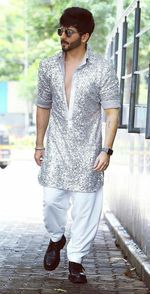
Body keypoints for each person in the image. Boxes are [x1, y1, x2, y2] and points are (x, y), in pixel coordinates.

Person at [34, 7, 120, 284]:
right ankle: (56, 238)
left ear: (84, 36)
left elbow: (111, 112)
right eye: (60, 30)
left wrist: (106, 149)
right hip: (57, 146)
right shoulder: (47, 66)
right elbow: (43, 106)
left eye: (68, 31)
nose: (62, 35)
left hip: (89, 149)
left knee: (86, 208)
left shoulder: (102, 68)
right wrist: (39, 145)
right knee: (51, 202)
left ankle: (76, 259)